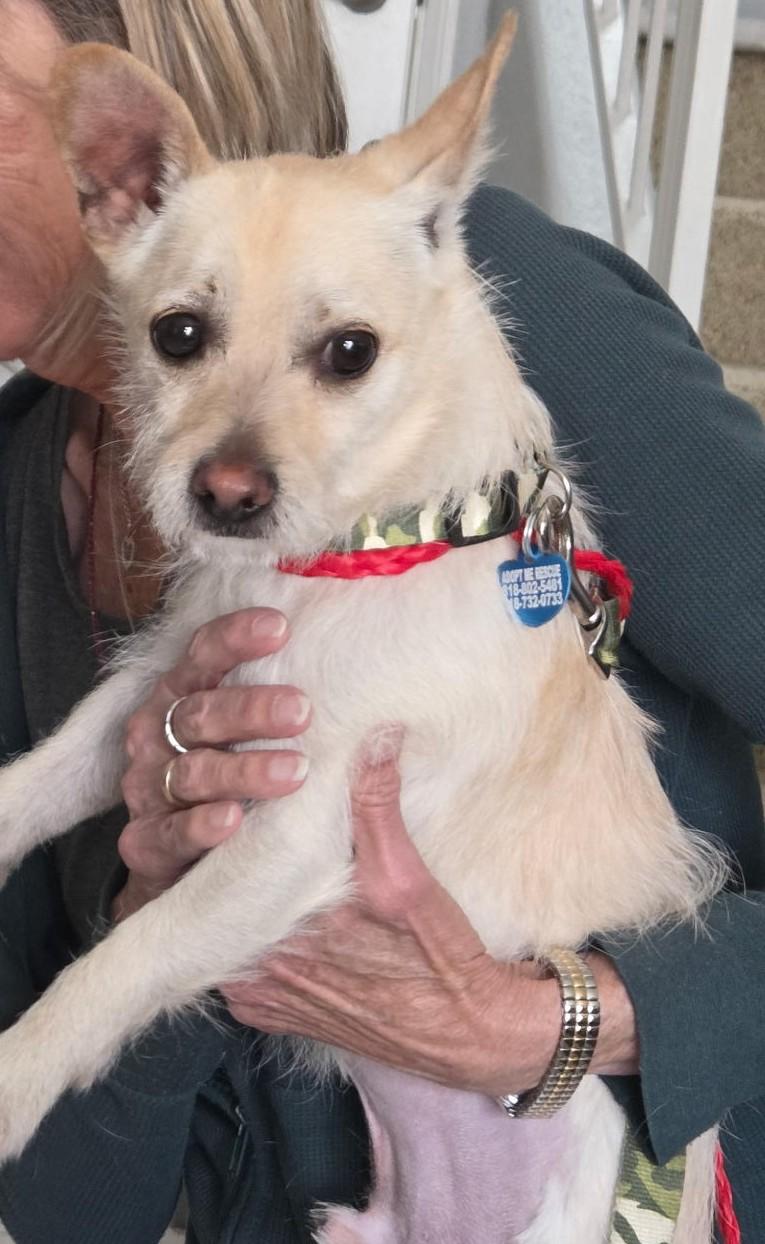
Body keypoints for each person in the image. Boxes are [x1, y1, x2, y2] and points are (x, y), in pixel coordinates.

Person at [0, 1, 763, 1241]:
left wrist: (585, 1015)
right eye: (188, 339)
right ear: (119, 190)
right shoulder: (22, 489)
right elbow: (68, 1205)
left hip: (623, 1186)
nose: (243, 455)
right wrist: (159, 896)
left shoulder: (486, 317)